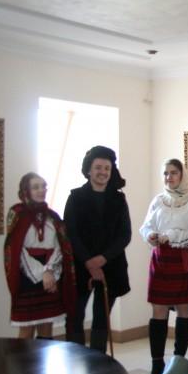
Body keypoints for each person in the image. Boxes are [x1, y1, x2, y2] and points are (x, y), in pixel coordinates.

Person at [140, 158, 188, 374]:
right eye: (166, 173)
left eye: (173, 173)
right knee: (158, 311)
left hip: (183, 259)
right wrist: (150, 235)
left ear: (182, 175)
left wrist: (174, 235)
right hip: (160, 259)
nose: (169, 177)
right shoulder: (158, 200)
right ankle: (157, 364)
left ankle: (178, 362)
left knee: (184, 310)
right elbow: (146, 225)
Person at [64, 146, 131, 352]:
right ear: (89, 170)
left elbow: (124, 235)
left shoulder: (119, 199)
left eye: (107, 168)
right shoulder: (75, 197)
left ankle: (97, 362)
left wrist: (101, 259)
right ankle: (74, 358)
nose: (103, 172)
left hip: (111, 265)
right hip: (80, 265)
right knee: (75, 317)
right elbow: (70, 233)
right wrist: (89, 262)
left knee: (102, 318)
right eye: (98, 167)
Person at [4, 172, 76, 339]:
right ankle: (23, 357)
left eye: (44, 186)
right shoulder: (17, 214)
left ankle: (43, 356)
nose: (41, 190)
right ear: (26, 191)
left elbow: (61, 246)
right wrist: (40, 273)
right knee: (26, 328)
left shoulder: (53, 217)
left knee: (46, 326)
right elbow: (16, 249)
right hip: (27, 275)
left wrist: (49, 271)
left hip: (50, 274)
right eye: (35, 187)